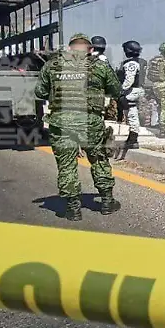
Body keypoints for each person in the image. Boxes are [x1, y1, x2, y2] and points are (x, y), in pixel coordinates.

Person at [35, 32, 122, 221]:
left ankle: (73, 208)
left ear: (69, 48)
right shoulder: (100, 66)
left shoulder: (52, 66)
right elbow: (116, 90)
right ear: (90, 49)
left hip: (61, 123)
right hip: (91, 122)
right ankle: (107, 201)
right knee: (99, 159)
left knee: (67, 164)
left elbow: (40, 92)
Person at [118, 40, 145, 149]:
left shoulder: (131, 64)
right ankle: (132, 137)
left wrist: (121, 90)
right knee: (131, 113)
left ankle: (133, 139)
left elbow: (129, 79)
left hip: (132, 91)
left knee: (131, 114)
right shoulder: (141, 62)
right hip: (138, 89)